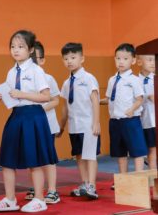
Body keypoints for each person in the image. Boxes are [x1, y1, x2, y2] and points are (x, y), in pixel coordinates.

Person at [0, 30, 57, 213]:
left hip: (33, 116)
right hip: (16, 115)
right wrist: (2, 96)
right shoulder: (12, 71)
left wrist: (22, 94)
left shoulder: (36, 70)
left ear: (31, 49)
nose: (15, 50)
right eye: (12, 46)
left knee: (34, 161)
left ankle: (39, 199)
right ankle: (10, 199)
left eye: (20, 47)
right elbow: (13, 97)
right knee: (7, 159)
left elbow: (46, 96)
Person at [59, 42, 101, 200]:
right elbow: (65, 107)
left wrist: (96, 122)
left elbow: (95, 100)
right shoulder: (66, 83)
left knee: (90, 155)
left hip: (88, 125)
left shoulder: (89, 78)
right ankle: (84, 183)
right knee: (78, 155)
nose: (69, 61)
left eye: (73, 57)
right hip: (74, 126)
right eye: (65, 58)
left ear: (82, 58)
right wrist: (62, 126)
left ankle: (92, 185)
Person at [102, 43, 147, 174]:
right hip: (115, 121)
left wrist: (132, 109)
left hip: (130, 120)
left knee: (137, 152)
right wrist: (95, 101)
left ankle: (139, 178)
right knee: (120, 153)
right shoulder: (112, 80)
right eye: (118, 58)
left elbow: (140, 99)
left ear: (133, 60)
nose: (121, 62)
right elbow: (109, 99)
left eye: (125, 59)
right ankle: (123, 179)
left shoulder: (134, 80)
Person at [25, 41, 61, 204]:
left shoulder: (48, 78)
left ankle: (52, 190)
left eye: (35, 58)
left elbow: (55, 101)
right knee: (32, 156)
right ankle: (36, 187)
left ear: (42, 60)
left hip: (46, 123)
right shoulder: (23, 78)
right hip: (30, 123)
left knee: (48, 157)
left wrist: (39, 110)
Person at [137, 54, 156, 169]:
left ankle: (153, 179)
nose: (153, 63)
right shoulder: (134, 80)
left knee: (152, 150)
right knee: (148, 150)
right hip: (142, 122)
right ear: (139, 62)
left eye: (155, 60)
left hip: (154, 121)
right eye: (149, 60)